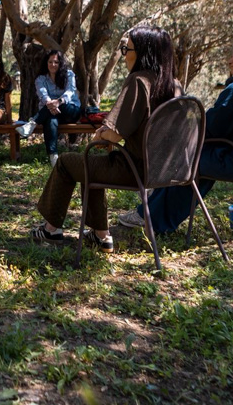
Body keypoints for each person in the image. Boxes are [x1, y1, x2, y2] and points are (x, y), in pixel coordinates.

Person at [117, 36, 233, 234]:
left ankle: (150, 217)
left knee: (188, 159)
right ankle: (150, 209)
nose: (229, 60)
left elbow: (208, 129)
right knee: (199, 156)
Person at [30, 27, 181, 253]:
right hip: (170, 169)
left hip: (135, 169)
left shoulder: (139, 81)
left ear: (142, 52)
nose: (123, 55)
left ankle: (51, 229)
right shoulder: (175, 85)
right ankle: (101, 236)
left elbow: (113, 133)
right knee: (92, 163)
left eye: (125, 49)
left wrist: (100, 133)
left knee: (67, 162)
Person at [16, 50, 83, 167]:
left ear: (60, 63)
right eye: (50, 62)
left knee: (62, 106)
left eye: (56, 62)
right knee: (51, 121)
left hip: (70, 111)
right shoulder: (40, 79)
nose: (53, 65)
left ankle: (32, 123)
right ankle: (54, 157)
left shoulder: (69, 75)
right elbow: (42, 95)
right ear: (46, 63)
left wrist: (58, 102)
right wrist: (50, 104)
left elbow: (70, 92)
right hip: (51, 112)